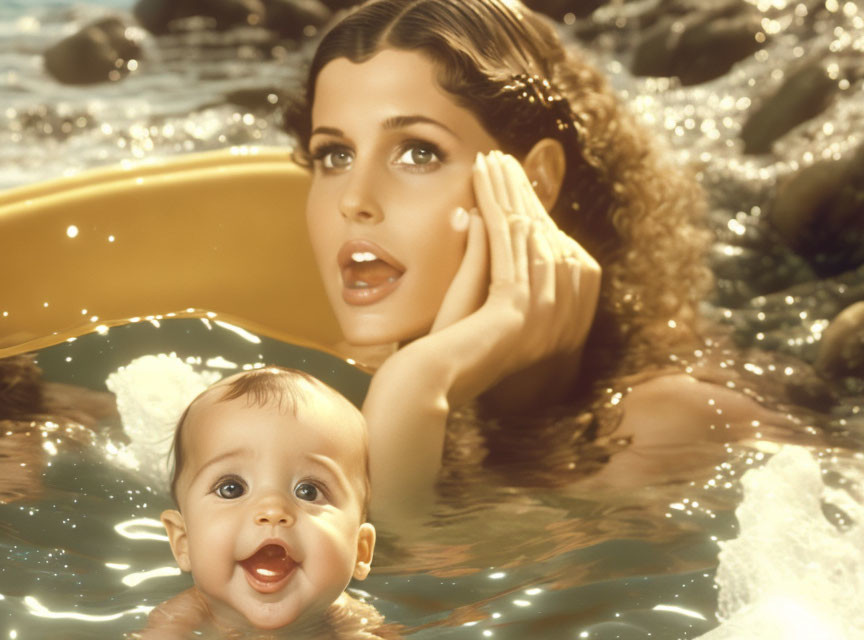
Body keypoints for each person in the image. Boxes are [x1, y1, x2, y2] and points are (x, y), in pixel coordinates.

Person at [285, 0, 810, 521]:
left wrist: (414, 387)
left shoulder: (672, 422)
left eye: (419, 152)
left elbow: (422, 591)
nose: (353, 199)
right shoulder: (337, 384)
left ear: (535, 182)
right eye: (335, 154)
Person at [134, 367, 385, 638]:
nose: (273, 510)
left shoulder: (353, 623)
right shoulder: (177, 621)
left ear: (361, 550)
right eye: (231, 489)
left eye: (309, 491)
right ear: (183, 542)